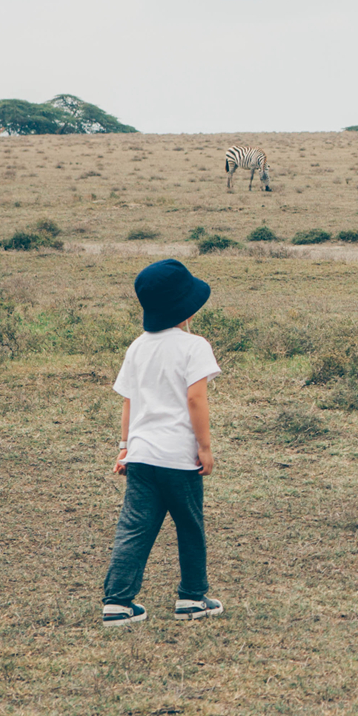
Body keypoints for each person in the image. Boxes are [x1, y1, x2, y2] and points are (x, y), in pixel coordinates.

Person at [101, 259, 225, 627]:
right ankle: (191, 597)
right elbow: (195, 400)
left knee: (134, 527)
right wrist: (204, 448)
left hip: (140, 455)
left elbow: (128, 401)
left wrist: (125, 445)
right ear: (185, 307)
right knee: (189, 525)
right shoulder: (194, 346)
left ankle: (117, 603)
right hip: (179, 458)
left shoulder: (137, 347)